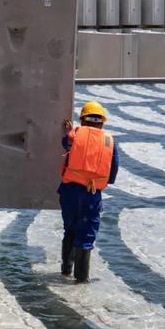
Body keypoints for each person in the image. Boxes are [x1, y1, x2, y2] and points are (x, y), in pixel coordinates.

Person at [58, 100, 119, 283]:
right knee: (86, 235)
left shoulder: (73, 135)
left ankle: (66, 270)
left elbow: (65, 143)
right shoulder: (109, 141)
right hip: (91, 194)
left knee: (70, 229)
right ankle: (81, 280)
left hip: (69, 191)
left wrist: (69, 130)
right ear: (102, 122)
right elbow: (113, 169)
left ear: (83, 121)